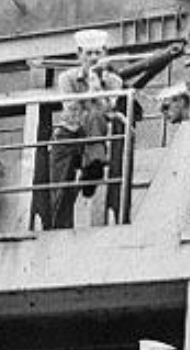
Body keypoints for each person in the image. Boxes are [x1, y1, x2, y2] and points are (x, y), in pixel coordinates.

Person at [48, 29, 129, 229]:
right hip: (70, 133)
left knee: (95, 116)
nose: (93, 58)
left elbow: (109, 111)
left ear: (105, 54)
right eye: (88, 53)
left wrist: (97, 88)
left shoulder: (114, 81)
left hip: (94, 131)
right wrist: (95, 98)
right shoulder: (66, 78)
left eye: (97, 53)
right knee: (59, 189)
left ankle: (92, 165)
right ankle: (59, 226)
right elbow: (72, 111)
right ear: (79, 54)